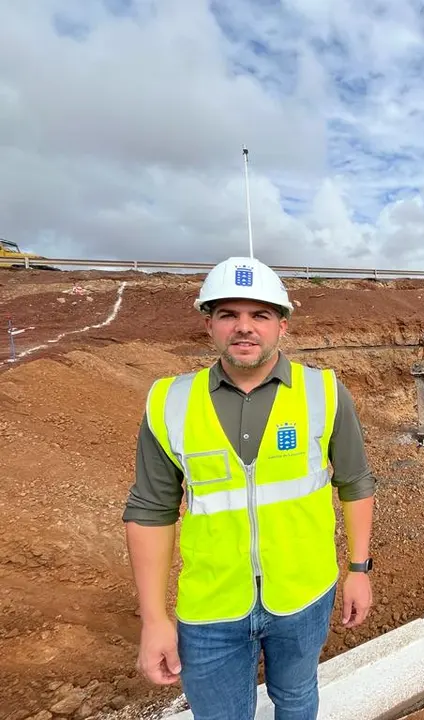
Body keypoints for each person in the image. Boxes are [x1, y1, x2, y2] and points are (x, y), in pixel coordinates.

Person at [122, 256, 376, 720]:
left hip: (304, 594)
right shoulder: (169, 403)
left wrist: (358, 568)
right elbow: (150, 511)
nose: (244, 327)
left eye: (259, 314)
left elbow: (355, 481)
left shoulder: (324, 392)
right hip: (211, 606)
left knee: (297, 697)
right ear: (209, 325)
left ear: (282, 325)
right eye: (228, 315)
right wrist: (155, 619)